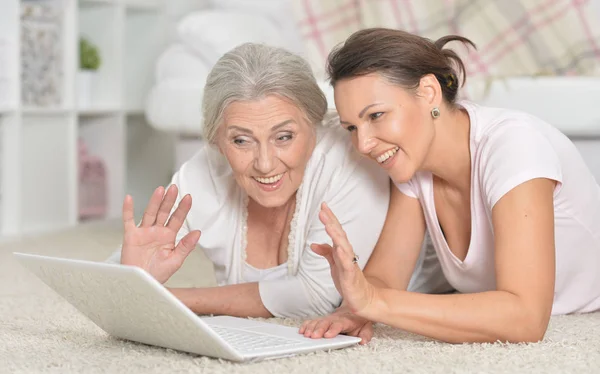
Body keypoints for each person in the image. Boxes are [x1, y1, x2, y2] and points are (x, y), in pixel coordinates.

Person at [299, 28, 600, 344]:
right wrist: (354, 305)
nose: (363, 144)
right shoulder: (413, 163)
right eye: (351, 127)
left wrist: (375, 303)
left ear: (428, 91)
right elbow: (386, 277)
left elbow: (526, 318)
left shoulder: (514, 145)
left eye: (376, 115)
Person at [107, 42, 446, 319]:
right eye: (241, 140)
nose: (265, 164)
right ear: (216, 140)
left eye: (284, 137)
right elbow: (114, 282)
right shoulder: (205, 172)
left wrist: (168, 299)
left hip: (433, 287)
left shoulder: (352, 156)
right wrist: (133, 275)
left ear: (315, 124)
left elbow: (318, 297)